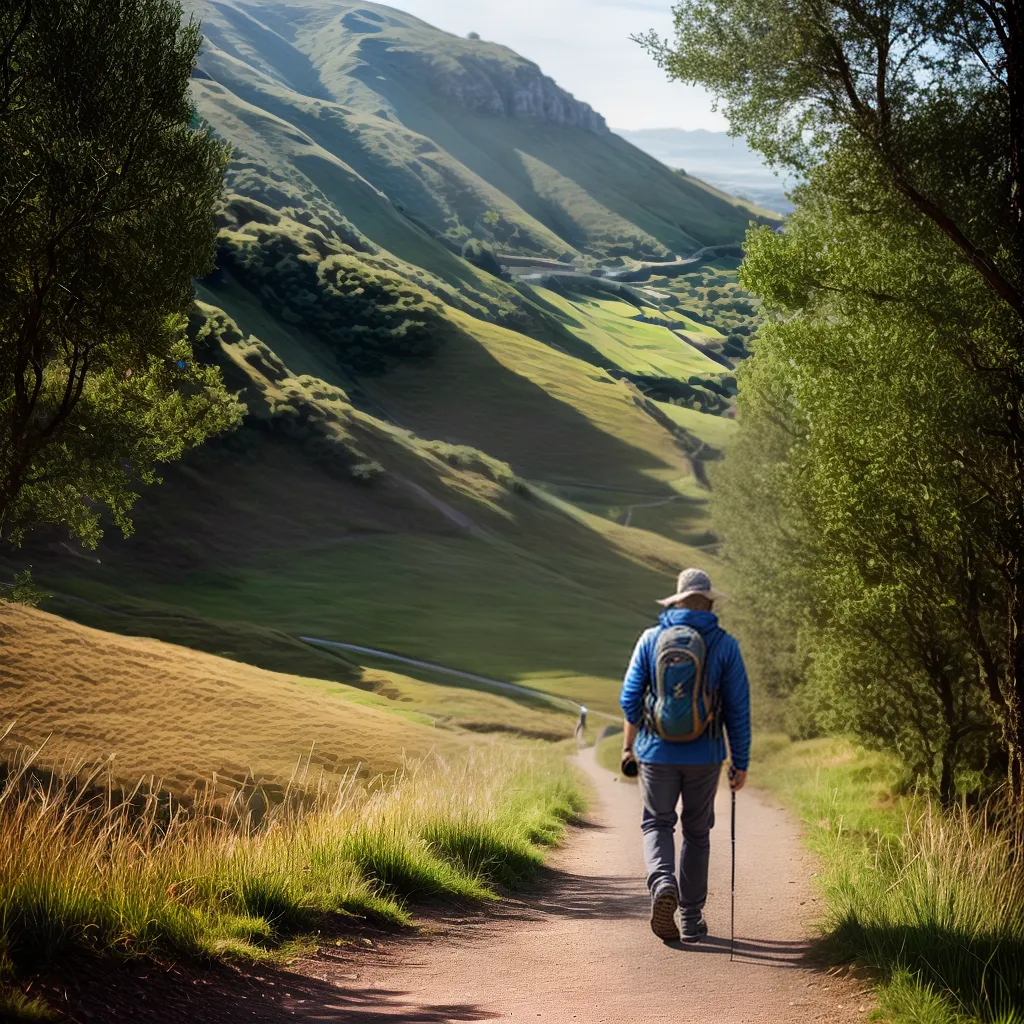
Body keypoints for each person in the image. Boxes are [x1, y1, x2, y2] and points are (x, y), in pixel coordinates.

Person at [619, 567, 751, 944]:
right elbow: (738, 709)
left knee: (657, 823)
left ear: (676, 602)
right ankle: (692, 919)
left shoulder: (651, 639)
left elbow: (630, 698)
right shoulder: (725, 644)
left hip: (655, 752)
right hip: (705, 755)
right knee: (696, 831)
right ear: (708, 603)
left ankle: (663, 884)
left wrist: (630, 745)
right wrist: (740, 762)